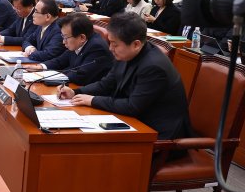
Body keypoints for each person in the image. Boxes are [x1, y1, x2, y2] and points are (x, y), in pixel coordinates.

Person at [58, 13, 190, 140]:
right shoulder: (125, 54)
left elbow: (133, 106)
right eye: (110, 42)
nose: (110, 48)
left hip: (157, 135)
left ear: (136, 44)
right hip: (133, 123)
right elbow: (106, 84)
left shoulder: (154, 67)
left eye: (115, 44)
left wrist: (92, 100)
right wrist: (75, 92)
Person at [39, 13, 113, 85]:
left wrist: (54, 75)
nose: (63, 42)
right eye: (63, 37)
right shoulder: (77, 42)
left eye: (66, 37)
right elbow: (60, 61)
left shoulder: (97, 48)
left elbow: (81, 77)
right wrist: (40, 66)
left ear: (82, 37)